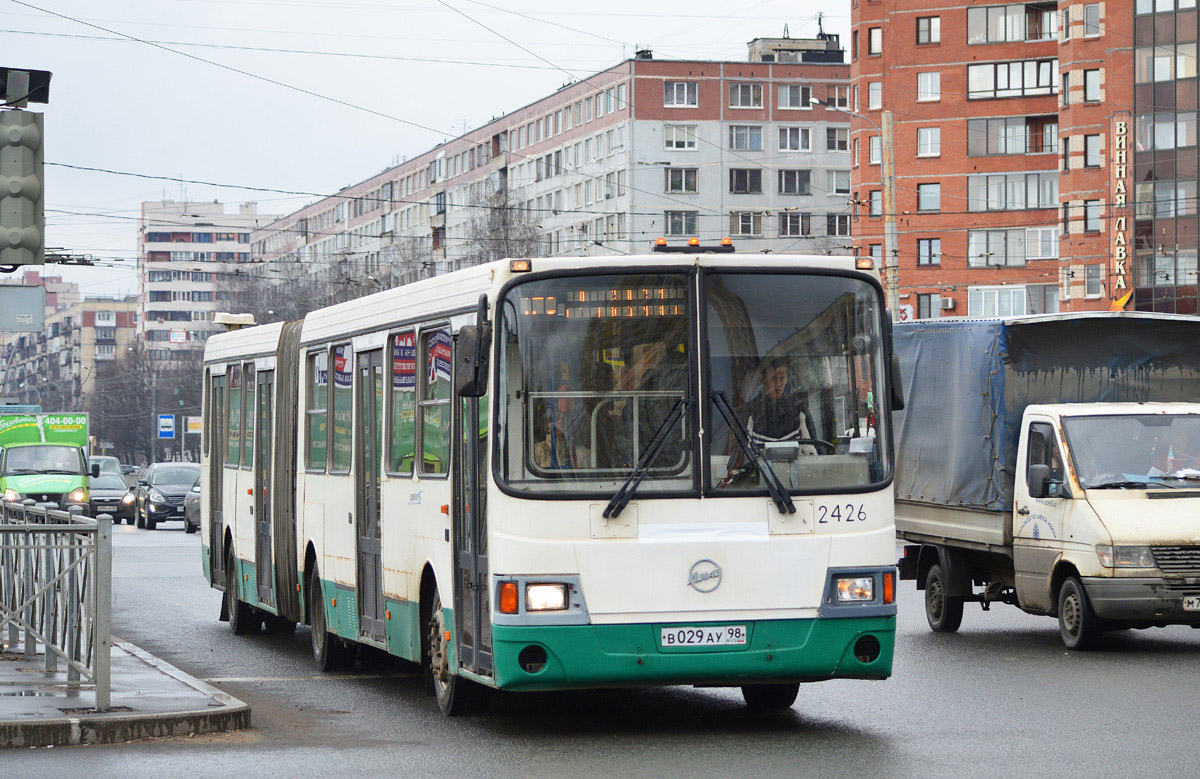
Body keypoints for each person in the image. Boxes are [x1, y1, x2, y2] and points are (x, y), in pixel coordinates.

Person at [746, 357, 816, 450]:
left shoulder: (799, 409)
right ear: (762, 380)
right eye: (772, 378)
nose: (778, 383)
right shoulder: (751, 410)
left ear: (787, 379)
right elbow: (743, 455)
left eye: (781, 377)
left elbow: (813, 454)